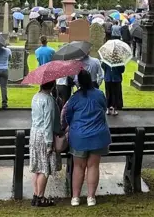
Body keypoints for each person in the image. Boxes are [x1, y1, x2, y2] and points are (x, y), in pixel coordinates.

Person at [65, 70, 111, 207]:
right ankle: (91, 197)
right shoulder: (99, 94)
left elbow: (68, 116)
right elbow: (104, 108)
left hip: (79, 137)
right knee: (93, 166)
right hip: (97, 136)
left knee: (78, 167)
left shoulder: (75, 97)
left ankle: (75, 197)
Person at [29, 81, 62, 207]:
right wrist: (49, 143)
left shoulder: (35, 97)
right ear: (52, 86)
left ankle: (36, 195)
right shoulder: (49, 100)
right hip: (44, 135)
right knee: (44, 168)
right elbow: (48, 122)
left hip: (34, 133)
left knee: (37, 166)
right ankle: (41, 197)